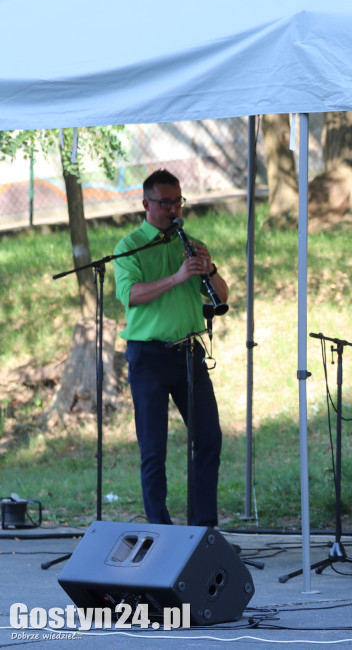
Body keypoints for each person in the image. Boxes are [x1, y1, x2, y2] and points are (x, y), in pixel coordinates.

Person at [113, 169, 229, 527]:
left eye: (178, 201)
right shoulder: (129, 247)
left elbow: (223, 297)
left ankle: (203, 530)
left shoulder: (189, 242)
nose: (173, 209)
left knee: (209, 439)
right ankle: (161, 531)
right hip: (148, 357)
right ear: (146, 203)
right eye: (165, 202)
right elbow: (130, 295)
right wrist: (178, 277)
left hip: (188, 354)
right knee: (154, 449)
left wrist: (207, 271)